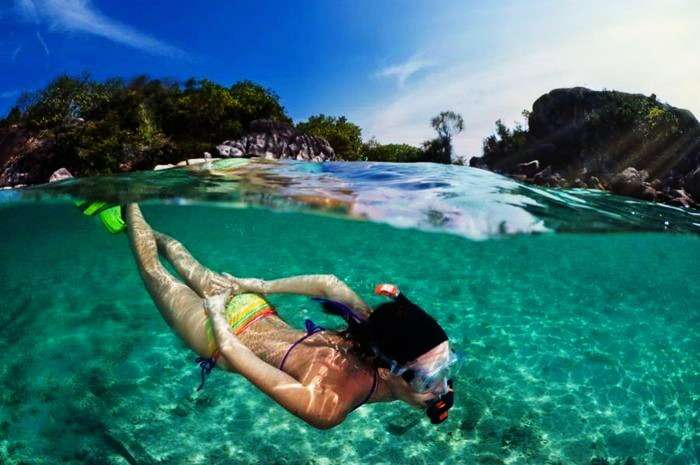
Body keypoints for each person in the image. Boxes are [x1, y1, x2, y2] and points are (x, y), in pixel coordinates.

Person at [124, 203, 457, 429]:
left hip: (250, 306)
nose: (442, 389)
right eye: (430, 379)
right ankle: (127, 206)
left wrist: (258, 287)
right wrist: (218, 312)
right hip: (217, 332)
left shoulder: (373, 331)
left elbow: (329, 284)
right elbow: (235, 355)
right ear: (388, 371)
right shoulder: (327, 405)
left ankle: (134, 219)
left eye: (444, 372)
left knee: (174, 258)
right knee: (154, 269)